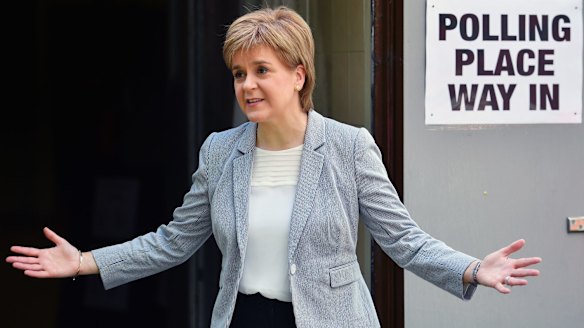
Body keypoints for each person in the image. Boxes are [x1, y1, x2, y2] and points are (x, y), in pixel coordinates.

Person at [6, 6, 541, 328]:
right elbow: (174, 241)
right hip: (245, 319)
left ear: (299, 75)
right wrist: (85, 263)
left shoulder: (349, 146)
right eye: (239, 73)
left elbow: (403, 241)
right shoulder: (220, 151)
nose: (247, 85)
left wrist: (472, 268)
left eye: (262, 70)